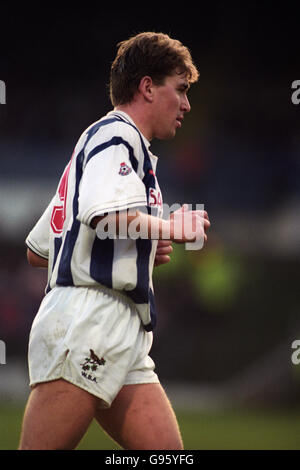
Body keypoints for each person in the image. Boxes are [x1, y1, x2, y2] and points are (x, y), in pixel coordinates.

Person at [19, 31, 210, 450]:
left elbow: (40, 250)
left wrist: (135, 250)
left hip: (120, 327)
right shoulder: (115, 137)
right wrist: (172, 228)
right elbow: (104, 214)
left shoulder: (111, 146)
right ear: (146, 87)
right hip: (89, 319)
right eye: (179, 90)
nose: (187, 104)